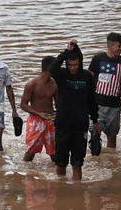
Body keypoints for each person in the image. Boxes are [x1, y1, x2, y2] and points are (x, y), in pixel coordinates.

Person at [49, 39, 100, 180]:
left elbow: (92, 100)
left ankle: (78, 195)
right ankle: (61, 190)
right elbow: (52, 69)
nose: (72, 68)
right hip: (62, 125)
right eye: (70, 65)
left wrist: (95, 121)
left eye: (75, 65)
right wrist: (66, 52)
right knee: (61, 163)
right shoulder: (62, 75)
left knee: (77, 164)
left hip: (80, 126)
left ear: (80, 63)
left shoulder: (87, 77)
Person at [88, 32, 121, 149]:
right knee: (94, 137)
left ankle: (111, 163)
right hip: (97, 105)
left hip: (114, 106)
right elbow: (88, 80)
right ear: (110, 46)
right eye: (119, 46)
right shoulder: (98, 58)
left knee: (112, 138)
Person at [20, 56, 58, 162]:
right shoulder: (32, 84)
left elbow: (58, 105)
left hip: (51, 120)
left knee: (55, 154)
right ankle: (25, 175)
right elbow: (23, 104)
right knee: (30, 154)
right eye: (57, 67)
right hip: (35, 121)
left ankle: (58, 177)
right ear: (51, 68)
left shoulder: (55, 84)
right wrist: (38, 114)